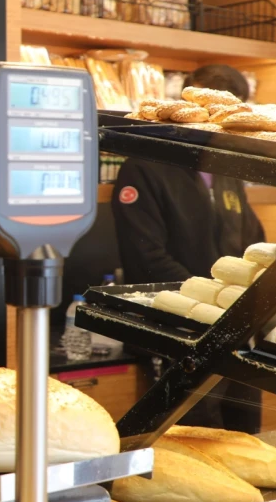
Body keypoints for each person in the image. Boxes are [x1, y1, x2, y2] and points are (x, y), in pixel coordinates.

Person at [112, 64, 264, 433]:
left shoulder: (227, 168)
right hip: (176, 330)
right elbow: (146, 259)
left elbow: (250, 239)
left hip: (233, 328)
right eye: (213, 115)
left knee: (244, 433)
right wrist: (208, 303)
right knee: (192, 435)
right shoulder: (144, 167)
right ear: (188, 104)